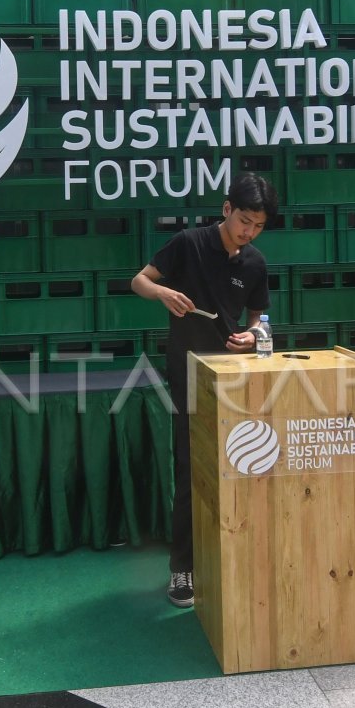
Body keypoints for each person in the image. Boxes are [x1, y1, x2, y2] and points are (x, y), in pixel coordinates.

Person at [131, 173, 279, 607]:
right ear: (226, 208)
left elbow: (259, 320)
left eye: (258, 226)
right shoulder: (188, 243)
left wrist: (252, 336)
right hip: (189, 374)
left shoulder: (255, 263)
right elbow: (138, 281)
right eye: (244, 221)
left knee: (245, 464)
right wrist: (162, 293)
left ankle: (238, 558)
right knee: (190, 469)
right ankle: (183, 568)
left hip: (235, 376)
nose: (249, 232)